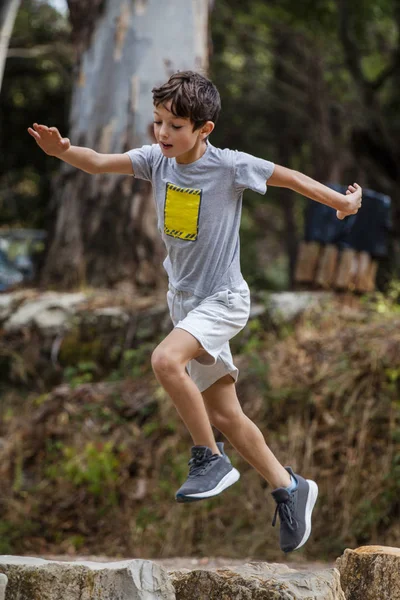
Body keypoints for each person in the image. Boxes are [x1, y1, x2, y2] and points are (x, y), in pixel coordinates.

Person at [28, 70, 362, 553]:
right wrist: (62, 151)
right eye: (158, 122)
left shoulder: (230, 166)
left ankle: (209, 459)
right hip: (185, 304)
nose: (163, 133)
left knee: (166, 361)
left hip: (223, 300)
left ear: (204, 129)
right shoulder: (155, 161)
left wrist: (342, 203)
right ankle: (290, 487)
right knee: (226, 413)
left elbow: (288, 178)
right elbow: (99, 162)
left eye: (175, 126)